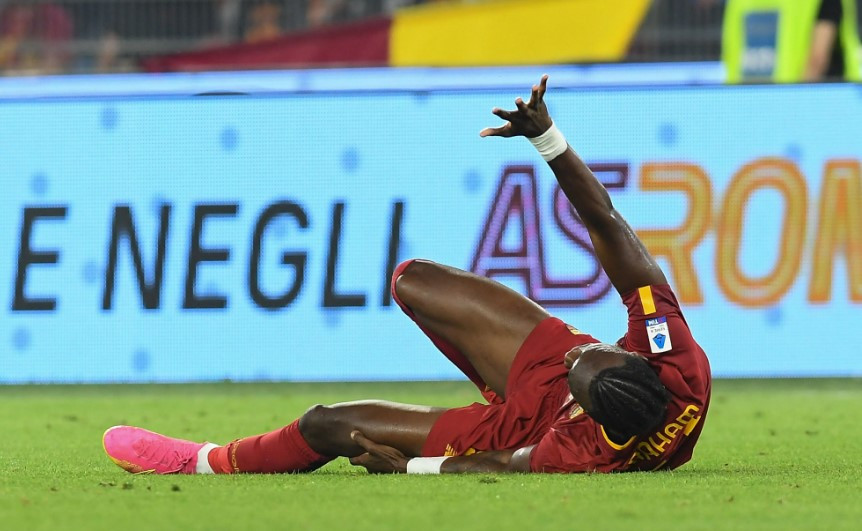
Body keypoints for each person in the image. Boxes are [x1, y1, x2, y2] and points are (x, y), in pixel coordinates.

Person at [103, 76, 712, 475]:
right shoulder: (675, 358)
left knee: (327, 424)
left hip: (523, 426)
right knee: (412, 280)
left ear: (591, 415)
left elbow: (496, 465)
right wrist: (548, 140)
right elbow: (608, 224)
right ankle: (503, 376)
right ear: (635, 358)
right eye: (595, 349)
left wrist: (409, 467)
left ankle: (204, 462)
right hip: (550, 374)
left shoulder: (575, 452)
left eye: (581, 362)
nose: (582, 349)